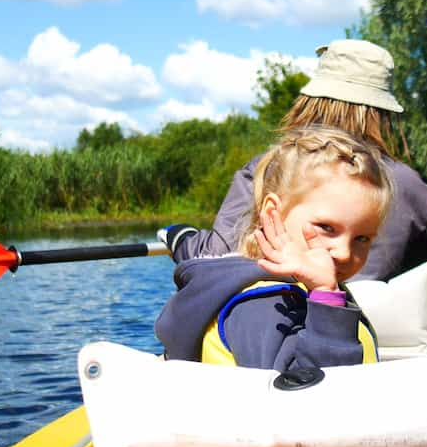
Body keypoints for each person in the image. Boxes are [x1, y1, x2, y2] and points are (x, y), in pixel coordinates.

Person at [164, 39, 427, 281]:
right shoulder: (412, 184)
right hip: (379, 324)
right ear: (384, 112)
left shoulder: (271, 168)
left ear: (311, 100)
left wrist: (181, 239)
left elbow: (215, 257)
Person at [155, 126, 393, 371]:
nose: (344, 252)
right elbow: (313, 397)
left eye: (362, 238)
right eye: (326, 227)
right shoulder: (263, 305)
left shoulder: (305, 286)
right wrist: (326, 295)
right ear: (272, 213)